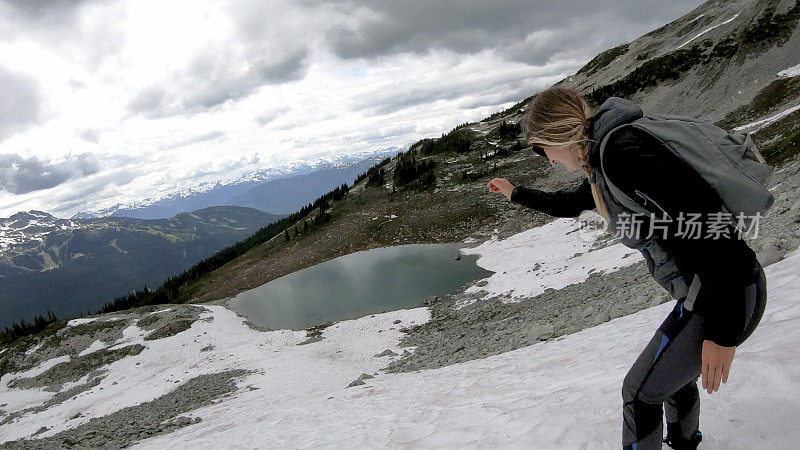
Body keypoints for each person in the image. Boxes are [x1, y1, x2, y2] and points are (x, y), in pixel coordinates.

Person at [487, 86, 767, 449]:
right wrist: (516, 193)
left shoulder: (623, 153)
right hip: (717, 290)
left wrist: (723, 334)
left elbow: (711, 229)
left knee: (638, 394)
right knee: (666, 381)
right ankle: (685, 442)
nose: (547, 159)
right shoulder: (606, 158)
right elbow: (575, 202)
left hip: (725, 294)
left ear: (558, 133)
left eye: (543, 148)